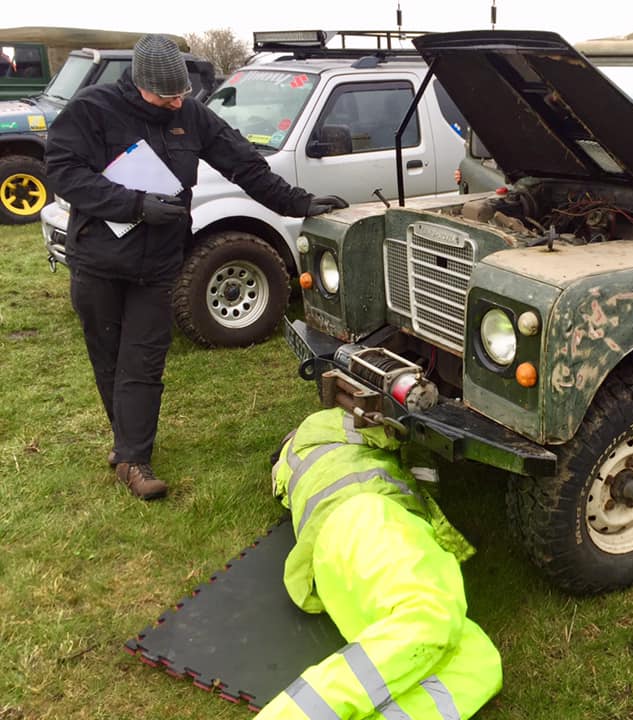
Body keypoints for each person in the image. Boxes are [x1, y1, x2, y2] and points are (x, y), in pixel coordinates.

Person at [44, 34, 348, 500]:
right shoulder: (93, 109)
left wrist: (299, 202)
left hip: (159, 263)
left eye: (180, 93)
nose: (174, 103)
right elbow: (64, 172)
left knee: (144, 359)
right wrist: (135, 205)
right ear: (138, 83)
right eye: (164, 96)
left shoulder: (190, 115)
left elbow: (245, 166)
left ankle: (134, 460)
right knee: (108, 357)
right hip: (99, 260)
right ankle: (125, 442)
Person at [254, 407, 503, 720]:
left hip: (331, 565)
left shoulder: (294, 471)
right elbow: (402, 428)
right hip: (367, 522)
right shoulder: (321, 424)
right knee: (428, 614)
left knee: (478, 663)